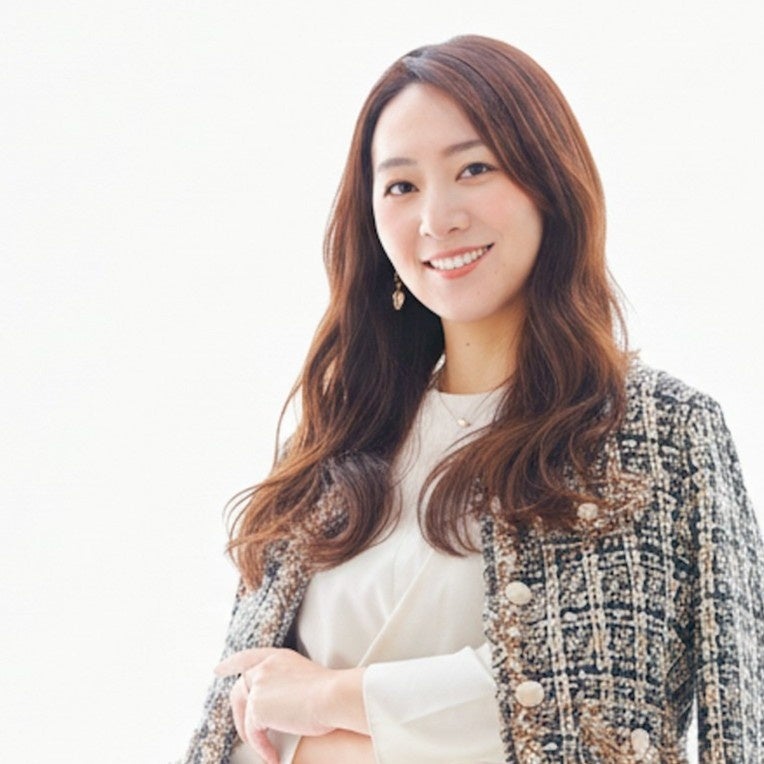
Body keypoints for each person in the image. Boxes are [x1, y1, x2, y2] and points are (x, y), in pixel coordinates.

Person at [180, 35, 764, 764]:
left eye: (474, 169)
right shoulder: (337, 441)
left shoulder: (655, 430)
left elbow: (594, 698)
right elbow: (248, 717)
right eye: (401, 186)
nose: (438, 218)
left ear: (549, 182)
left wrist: (331, 697)